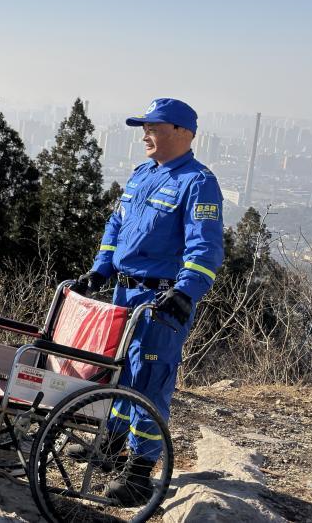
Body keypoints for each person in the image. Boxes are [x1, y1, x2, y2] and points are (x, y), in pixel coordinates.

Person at [69, 98, 223, 506]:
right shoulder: (141, 176)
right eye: (144, 127)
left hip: (161, 299)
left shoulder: (197, 182)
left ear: (183, 132)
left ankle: (139, 473)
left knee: (150, 383)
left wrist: (187, 291)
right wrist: (100, 269)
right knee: (121, 374)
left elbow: (205, 247)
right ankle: (111, 447)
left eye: (154, 127)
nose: (145, 134)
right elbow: (115, 225)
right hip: (124, 292)